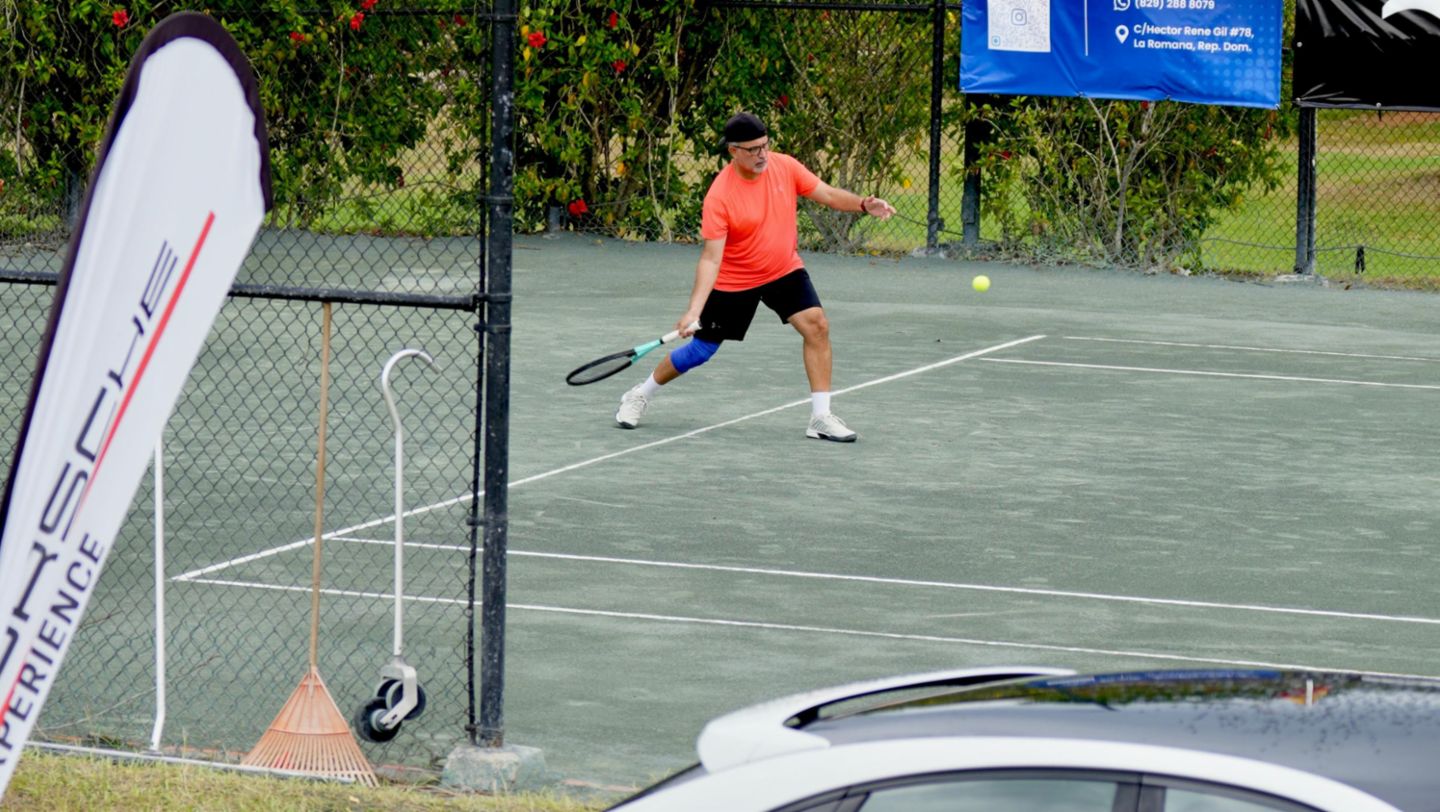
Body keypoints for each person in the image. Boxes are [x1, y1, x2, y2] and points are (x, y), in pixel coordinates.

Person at [614, 112, 896, 442]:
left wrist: (863, 204)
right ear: (733, 151)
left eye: (765, 146)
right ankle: (641, 393)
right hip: (736, 279)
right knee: (700, 351)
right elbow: (710, 258)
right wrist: (693, 311)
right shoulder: (720, 196)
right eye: (753, 149)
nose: (762, 155)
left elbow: (829, 194)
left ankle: (820, 417)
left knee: (817, 325)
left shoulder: (785, 166)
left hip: (782, 269)